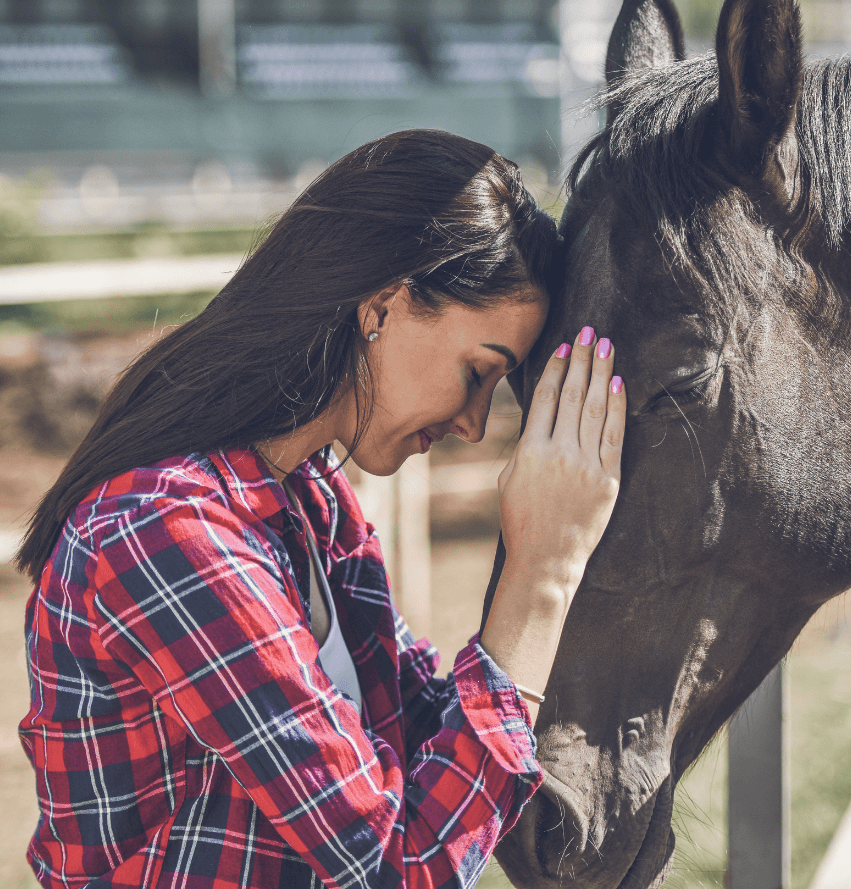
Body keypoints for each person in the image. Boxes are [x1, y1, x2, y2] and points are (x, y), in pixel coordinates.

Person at [16, 130, 626, 889]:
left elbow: (415, 738)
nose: (473, 423)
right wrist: (542, 575)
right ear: (384, 304)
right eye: (478, 372)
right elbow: (400, 867)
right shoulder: (167, 533)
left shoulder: (310, 505)